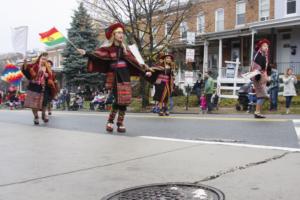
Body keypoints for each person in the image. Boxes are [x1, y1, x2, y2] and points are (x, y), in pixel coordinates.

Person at [77, 22, 152, 133]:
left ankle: (120, 122)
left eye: (122, 33)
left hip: (125, 76)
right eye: (118, 33)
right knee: (118, 99)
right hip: (114, 77)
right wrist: (86, 53)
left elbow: (135, 63)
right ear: (113, 35)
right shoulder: (108, 49)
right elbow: (97, 55)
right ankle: (111, 121)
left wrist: (145, 71)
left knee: (124, 100)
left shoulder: (126, 50)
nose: (121, 35)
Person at [22, 52, 57, 125]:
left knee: (44, 103)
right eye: (42, 59)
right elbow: (26, 71)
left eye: (45, 59)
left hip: (44, 87)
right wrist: (25, 63)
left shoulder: (48, 68)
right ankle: (36, 116)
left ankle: (44, 115)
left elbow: (51, 78)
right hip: (34, 86)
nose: (44, 60)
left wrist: (47, 76)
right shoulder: (34, 66)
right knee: (33, 104)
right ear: (39, 59)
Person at [251, 39, 270, 118]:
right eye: (265, 46)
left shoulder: (264, 55)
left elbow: (266, 67)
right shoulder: (258, 55)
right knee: (262, 95)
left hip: (262, 76)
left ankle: (258, 112)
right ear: (261, 47)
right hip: (257, 76)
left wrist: (267, 77)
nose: (266, 48)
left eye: (267, 46)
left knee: (261, 95)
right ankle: (257, 112)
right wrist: (257, 76)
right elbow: (254, 66)